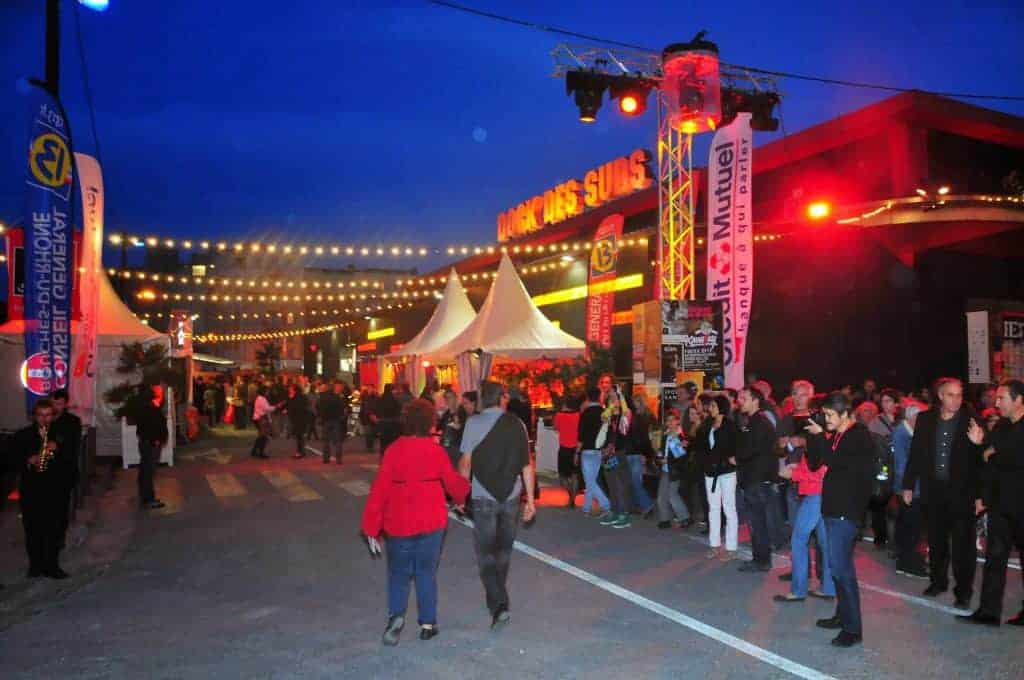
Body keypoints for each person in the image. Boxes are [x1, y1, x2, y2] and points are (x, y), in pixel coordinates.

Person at [362, 398, 471, 645]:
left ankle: (396, 616)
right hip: (432, 522)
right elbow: (453, 484)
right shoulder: (435, 450)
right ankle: (428, 623)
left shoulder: (393, 451)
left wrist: (371, 527)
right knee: (426, 572)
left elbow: (379, 491)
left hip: (399, 523)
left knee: (399, 573)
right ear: (429, 422)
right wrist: (464, 491)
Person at [457, 380, 536, 631]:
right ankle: (498, 598)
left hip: (483, 497)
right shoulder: (517, 424)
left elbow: (466, 464)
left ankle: (499, 603)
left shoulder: (472, 423)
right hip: (511, 496)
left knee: (485, 553)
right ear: (502, 398)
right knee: (503, 551)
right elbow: (526, 465)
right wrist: (531, 500)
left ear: (482, 399)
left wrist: (460, 495)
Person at [901, 377, 984, 609]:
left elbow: (981, 464)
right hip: (933, 490)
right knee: (936, 541)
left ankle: (963, 591)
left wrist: (977, 445)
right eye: (950, 395)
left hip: (961, 493)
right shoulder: (925, 419)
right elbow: (916, 454)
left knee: (963, 546)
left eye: (959, 395)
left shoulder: (972, 420)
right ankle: (938, 582)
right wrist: (908, 484)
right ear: (940, 396)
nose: (956, 400)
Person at [805, 391, 875, 648]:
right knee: (835, 568)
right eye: (824, 414)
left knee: (842, 569)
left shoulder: (858, 436)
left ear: (846, 414)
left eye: (830, 415)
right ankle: (841, 615)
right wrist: (813, 437)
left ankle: (853, 628)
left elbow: (838, 463)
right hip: (832, 509)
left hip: (847, 512)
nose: (826, 419)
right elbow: (815, 463)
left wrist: (821, 439)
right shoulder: (835, 435)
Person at [959, 379, 1024, 627]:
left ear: (1018, 400)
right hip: (1000, 504)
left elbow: (1011, 458)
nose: (996, 403)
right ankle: (988, 611)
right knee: (994, 557)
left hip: (1021, 504)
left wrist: (992, 453)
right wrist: (982, 447)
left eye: (1002, 398)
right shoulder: (1003, 426)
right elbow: (988, 459)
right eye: (996, 398)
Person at [12, 399, 76, 578]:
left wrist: (58, 449)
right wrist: (28, 460)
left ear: (53, 416)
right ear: (34, 416)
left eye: (48, 415)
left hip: (56, 488)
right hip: (32, 488)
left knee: (55, 528)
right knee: (32, 528)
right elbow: (12, 459)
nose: (44, 419)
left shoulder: (62, 435)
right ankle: (35, 565)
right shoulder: (22, 435)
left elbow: (71, 459)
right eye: (40, 415)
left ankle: (52, 565)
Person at [775, 417, 834, 604]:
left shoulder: (819, 442)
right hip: (822, 496)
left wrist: (794, 474)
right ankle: (828, 587)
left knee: (799, 540)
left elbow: (819, 472)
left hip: (816, 496)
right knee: (825, 544)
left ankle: (799, 590)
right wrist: (795, 470)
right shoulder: (825, 441)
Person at [735, 385, 778, 572]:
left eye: (744, 398)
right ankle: (760, 558)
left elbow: (750, 449)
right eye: (739, 398)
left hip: (756, 478)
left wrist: (736, 455)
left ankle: (761, 560)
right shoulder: (752, 421)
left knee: (757, 521)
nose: (739, 401)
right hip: (754, 478)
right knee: (757, 520)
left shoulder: (759, 423)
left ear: (755, 400)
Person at [893, 401, 928, 578]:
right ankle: (908, 563)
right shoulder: (902, 434)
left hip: (911, 487)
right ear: (912, 417)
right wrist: (910, 486)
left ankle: (905, 559)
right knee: (912, 527)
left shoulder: (909, 432)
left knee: (907, 526)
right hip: (910, 488)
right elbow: (901, 465)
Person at [703, 395, 739, 561]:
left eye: (712, 405)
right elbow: (703, 447)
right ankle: (714, 544)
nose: (710, 408)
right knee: (714, 508)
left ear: (721, 407)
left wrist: (726, 459)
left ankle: (731, 547)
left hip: (726, 471)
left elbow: (734, 447)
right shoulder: (707, 425)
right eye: (710, 405)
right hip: (710, 471)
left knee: (729, 508)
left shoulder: (730, 426)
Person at [49, 389, 81, 545]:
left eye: (59, 404)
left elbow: (73, 445)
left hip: (64, 471)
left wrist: (58, 445)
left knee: (61, 507)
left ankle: (59, 537)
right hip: (46, 471)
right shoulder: (44, 419)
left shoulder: (73, 422)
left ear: (65, 404)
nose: (55, 407)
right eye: (53, 403)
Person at [599, 388, 633, 529]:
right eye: (610, 398)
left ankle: (625, 514)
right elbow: (603, 417)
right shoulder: (608, 415)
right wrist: (611, 406)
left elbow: (625, 423)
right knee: (611, 484)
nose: (612, 400)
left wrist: (620, 399)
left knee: (622, 484)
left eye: (615, 398)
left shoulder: (626, 413)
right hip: (608, 454)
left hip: (620, 453)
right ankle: (614, 511)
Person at [576, 387, 611, 518]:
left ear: (587, 397)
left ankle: (606, 504)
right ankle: (586, 508)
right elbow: (607, 431)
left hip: (586, 450)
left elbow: (581, 434)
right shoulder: (603, 412)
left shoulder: (585, 413)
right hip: (599, 450)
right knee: (591, 480)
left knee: (589, 481)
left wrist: (576, 452)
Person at [135, 384, 169, 510]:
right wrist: (155, 440)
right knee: (148, 470)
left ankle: (146, 495)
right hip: (150, 444)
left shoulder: (150, 407)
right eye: (159, 392)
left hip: (149, 442)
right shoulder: (149, 408)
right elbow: (149, 427)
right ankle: (148, 498)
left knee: (146, 470)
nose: (161, 395)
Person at [656, 412, 690, 529]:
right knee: (661, 496)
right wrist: (659, 458)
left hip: (675, 470)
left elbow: (682, 456)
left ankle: (685, 518)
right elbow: (661, 450)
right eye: (668, 420)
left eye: (672, 420)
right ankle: (665, 519)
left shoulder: (681, 436)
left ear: (677, 421)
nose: (670, 423)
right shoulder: (665, 435)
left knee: (672, 495)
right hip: (666, 470)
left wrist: (667, 461)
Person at [626, 396, 656, 518]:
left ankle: (647, 504)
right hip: (634, 451)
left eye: (636, 401)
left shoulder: (644, 417)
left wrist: (646, 454)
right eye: (634, 401)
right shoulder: (639, 416)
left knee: (635, 480)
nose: (635, 403)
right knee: (634, 480)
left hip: (637, 452)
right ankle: (638, 504)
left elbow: (646, 438)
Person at [553, 394, 581, 508]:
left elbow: (556, 428)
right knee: (575, 474)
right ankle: (573, 498)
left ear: (565, 404)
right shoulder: (579, 416)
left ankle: (571, 495)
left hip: (564, 448)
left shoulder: (559, 415)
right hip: (576, 449)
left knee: (563, 476)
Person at [319, 381, 346, 464]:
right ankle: (336, 458)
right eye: (340, 386)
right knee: (335, 440)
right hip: (333, 420)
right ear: (336, 386)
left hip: (330, 420)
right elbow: (342, 408)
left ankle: (329, 458)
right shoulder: (337, 397)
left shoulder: (326, 395)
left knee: (329, 440)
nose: (341, 388)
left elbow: (320, 406)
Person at [282, 384, 311, 459]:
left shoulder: (297, 397)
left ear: (295, 390)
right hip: (300, 418)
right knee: (299, 436)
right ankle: (301, 452)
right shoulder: (300, 396)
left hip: (299, 419)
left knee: (299, 436)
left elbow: (295, 407)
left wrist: (288, 408)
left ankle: (300, 452)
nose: (289, 390)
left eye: (291, 388)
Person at [376, 384, 402, 455]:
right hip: (392, 422)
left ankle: (383, 454)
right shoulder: (394, 399)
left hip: (383, 422)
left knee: (383, 441)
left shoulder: (381, 399)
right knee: (391, 440)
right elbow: (398, 409)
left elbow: (377, 409)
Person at [250, 385, 275, 459]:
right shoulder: (261, 399)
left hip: (258, 418)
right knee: (263, 436)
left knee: (261, 436)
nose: (268, 392)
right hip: (261, 419)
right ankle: (261, 452)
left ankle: (254, 451)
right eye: (267, 391)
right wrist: (275, 407)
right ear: (264, 391)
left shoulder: (260, 398)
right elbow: (266, 408)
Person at [360, 385, 379, 452]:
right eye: (369, 389)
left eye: (372, 389)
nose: (371, 390)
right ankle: (369, 447)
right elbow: (364, 408)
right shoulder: (365, 398)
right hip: (367, 418)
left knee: (372, 432)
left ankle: (370, 446)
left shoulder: (376, 398)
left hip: (373, 417)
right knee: (369, 433)